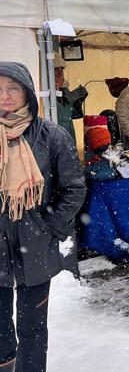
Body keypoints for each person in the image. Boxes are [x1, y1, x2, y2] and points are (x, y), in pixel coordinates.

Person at [0, 62, 86, 372]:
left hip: (35, 248)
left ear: (26, 93)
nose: (5, 96)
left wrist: (49, 228)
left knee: (33, 329)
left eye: (13, 88)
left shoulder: (50, 135)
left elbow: (74, 188)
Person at [53, 54, 87, 143]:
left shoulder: (64, 89)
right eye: (56, 69)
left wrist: (78, 101)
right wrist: (57, 90)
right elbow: (61, 118)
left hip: (68, 136)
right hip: (58, 140)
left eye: (61, 69)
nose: (60, 72)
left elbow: (73, 115)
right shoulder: (44, 92)